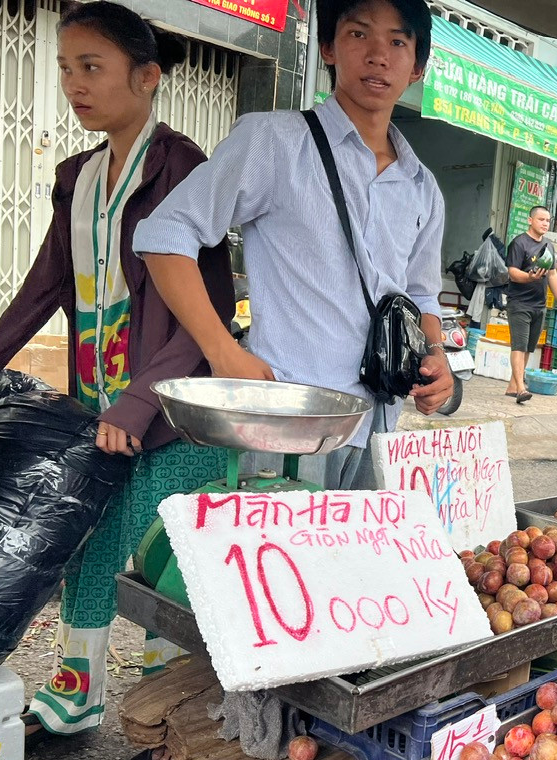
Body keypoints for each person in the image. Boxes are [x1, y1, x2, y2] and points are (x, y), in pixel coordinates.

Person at [0, 1, 235, 760]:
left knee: (162, 564)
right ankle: (73, 699)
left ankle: (166, 728)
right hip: (97, 406)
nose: (74, 85)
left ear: (147, 79)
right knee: (89, 551)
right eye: (66, 68)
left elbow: (205, 310)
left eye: (93, 68)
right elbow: (42, 286)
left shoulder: (183, 169)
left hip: (176, 411)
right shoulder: (76, 178)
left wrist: (143, 399)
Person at [134, 0, 452, 489]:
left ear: (418, 67)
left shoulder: (422, 186)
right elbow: (164, 236)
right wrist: (223, 351)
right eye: (358, 35)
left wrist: (437, 356)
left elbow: (421, 294)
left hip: (381, 426)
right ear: (328, 47)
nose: (378, 55)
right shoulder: (274, 142)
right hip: (287, 426)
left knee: (355, 563)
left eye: (398, 41)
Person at [504, 206, 557, 403]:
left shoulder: (549, 245)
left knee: (528, 348)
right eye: (540, 219)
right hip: (519, 303)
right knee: (519, 345)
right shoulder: (519, 243)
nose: (544, 223)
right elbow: (513, 273)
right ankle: (521, 388)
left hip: (539, 305)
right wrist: (529, 277)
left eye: (547, 220)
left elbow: (552, 274)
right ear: (530, 220)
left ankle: (512, 386)